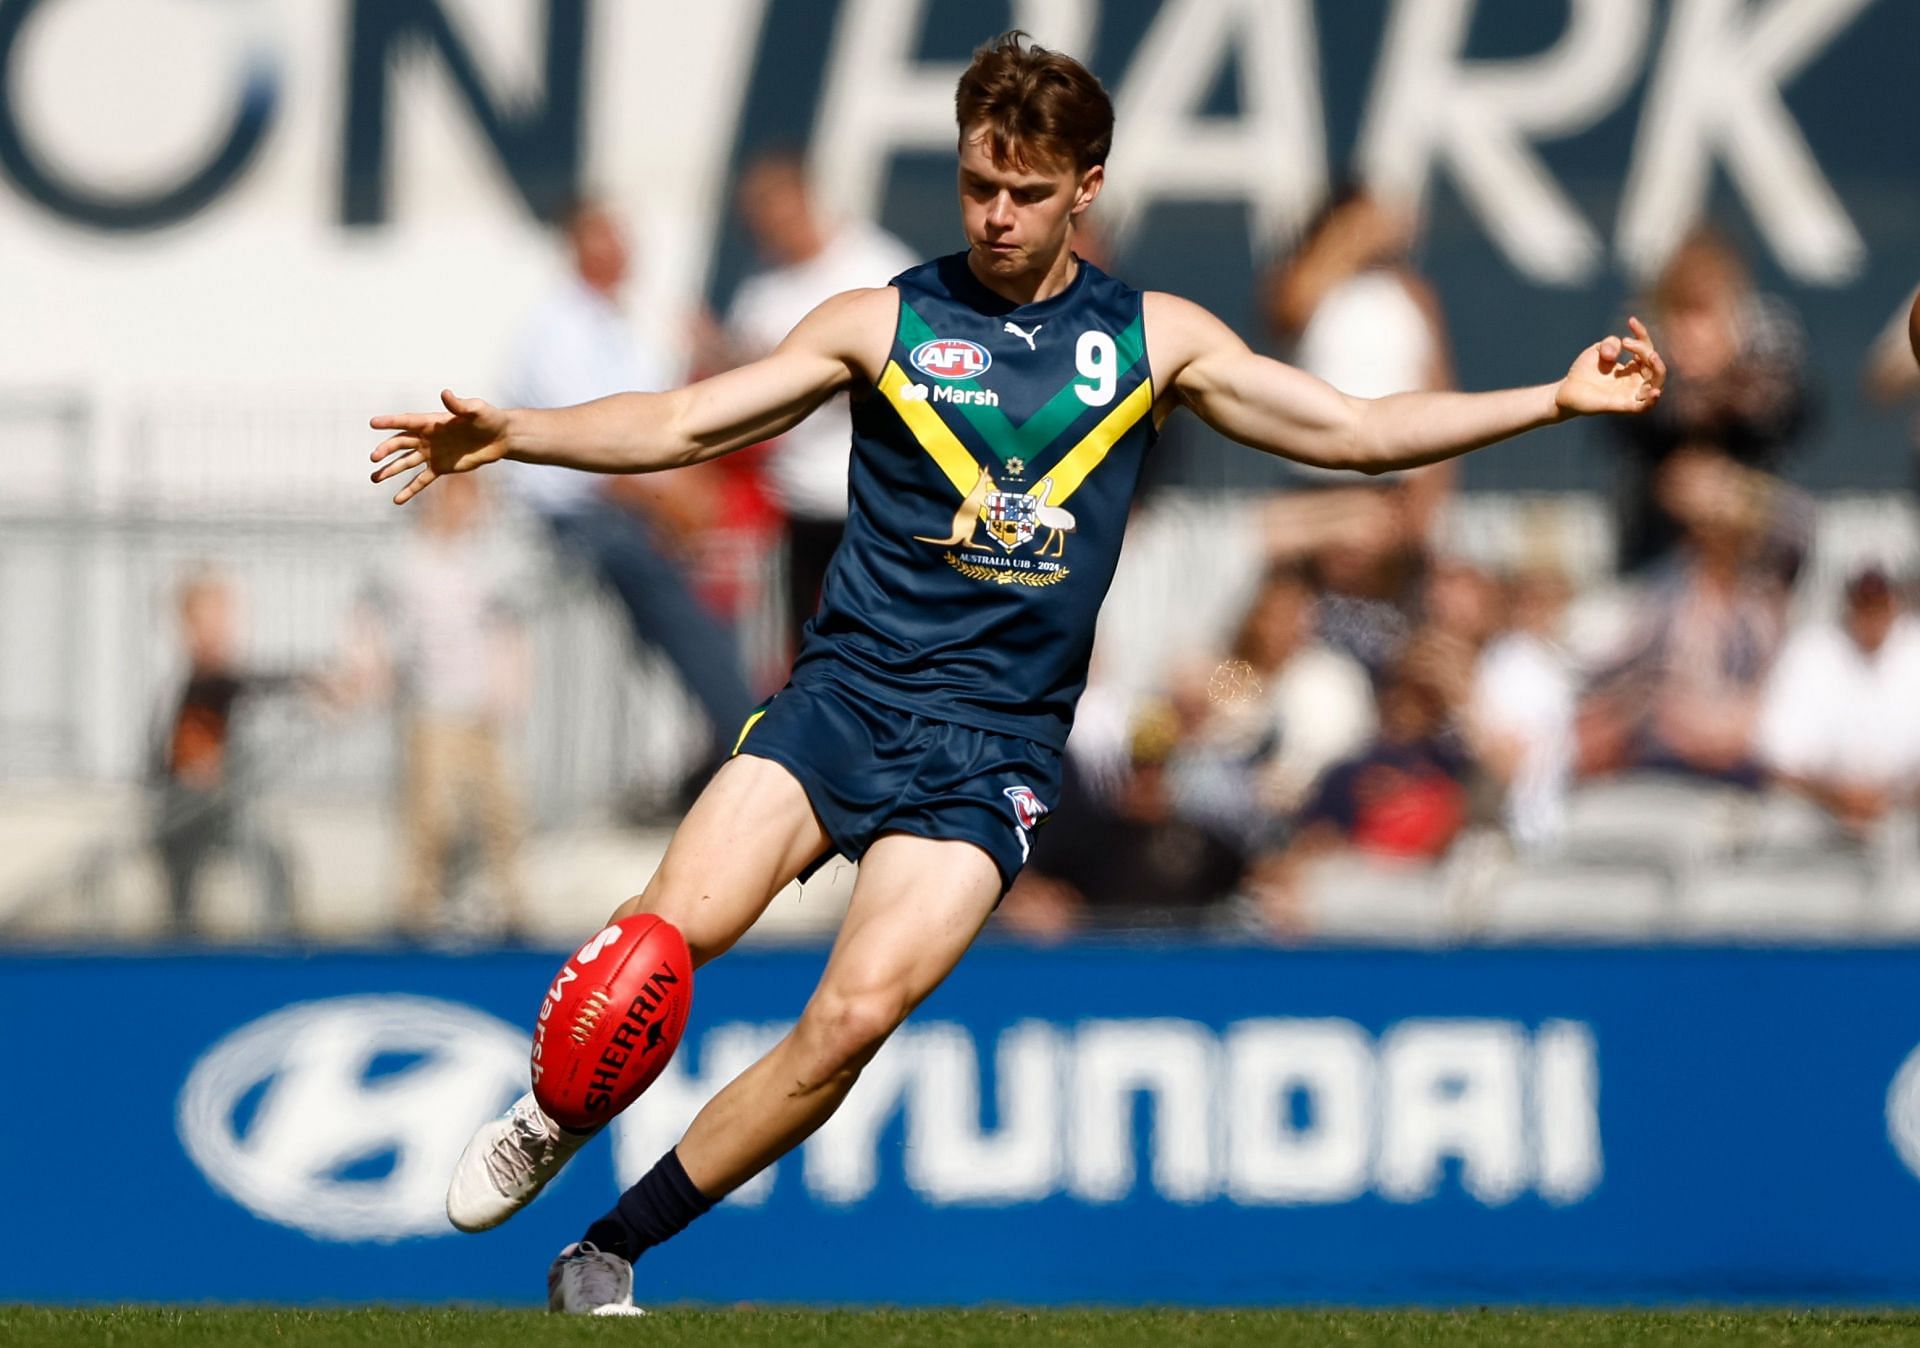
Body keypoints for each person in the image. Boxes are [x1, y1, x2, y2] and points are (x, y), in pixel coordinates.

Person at [367, 31, 1666, 1314]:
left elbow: (1361, 431)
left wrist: (1549, 399)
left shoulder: (1154, 342)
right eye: (978, 184)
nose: (994, 214)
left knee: (853, 1018)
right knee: (665, 934)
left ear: (1084, 188)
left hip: (994, 749)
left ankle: (607, 1251)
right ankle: (555, 1111)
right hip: (845, 698)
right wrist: (514, 433)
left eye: (1026, 192)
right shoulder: (882, 320)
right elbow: (686, 420)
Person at [503, 199, 755, 788]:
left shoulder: (621, 326)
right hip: (583, 517)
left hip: (628, 508)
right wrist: (674, 507)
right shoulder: (558, 330)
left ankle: (731, 739)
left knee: (715, 604)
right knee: (681, 605)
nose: (622, 252)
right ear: (580, 248)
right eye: (607, 239)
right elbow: (593, 450)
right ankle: (747, 745)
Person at [724, 150, 919, 647]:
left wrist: (814, 378)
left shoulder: (877, 265)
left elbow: (913, 374)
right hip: (797, 503)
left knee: (881, 644)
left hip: (877, 499)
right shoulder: (760, 290)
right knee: (805, 650)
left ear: (804, 198)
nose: (771, 227)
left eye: (777, 209)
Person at [349, 474, 532, 940]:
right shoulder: (407, 560)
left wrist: (508, 689)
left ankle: (512, 907)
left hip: (480, 707)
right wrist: (372, 670)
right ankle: (417, 910)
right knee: (431, 815)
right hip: (432, 705)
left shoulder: (484, 560)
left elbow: (505, 627)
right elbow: (371, 619)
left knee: (500, 811)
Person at [1608, 227, 1812, 574]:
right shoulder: (1640, 350)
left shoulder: (1771, 346)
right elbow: (1630, 432)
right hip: (1657, 542)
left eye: (1704, 314)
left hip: (1756, 543)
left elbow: (1788, 420)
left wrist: (1731, 488)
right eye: (1682, 314)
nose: (1693, 333)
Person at [150, 570, 303, 938]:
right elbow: (171, 756)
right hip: (186, 812)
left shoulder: (217, 685)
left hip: (219, 808)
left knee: (272, 859)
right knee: (186, 884)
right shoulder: (200, 684)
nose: (224, 630)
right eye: (212, 620)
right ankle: (183, 940)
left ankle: (277, 937)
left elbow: (253, 687)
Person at [1756, 566, 1920, 839]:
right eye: (1863, 600)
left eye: (1880, 600)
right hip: (1815, 824)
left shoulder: (1914, 650)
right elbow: (1777, 758)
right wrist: (1837, 795)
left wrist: (1888, 798)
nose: (1870, 614)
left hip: (1905, 825)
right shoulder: (1810, 649)